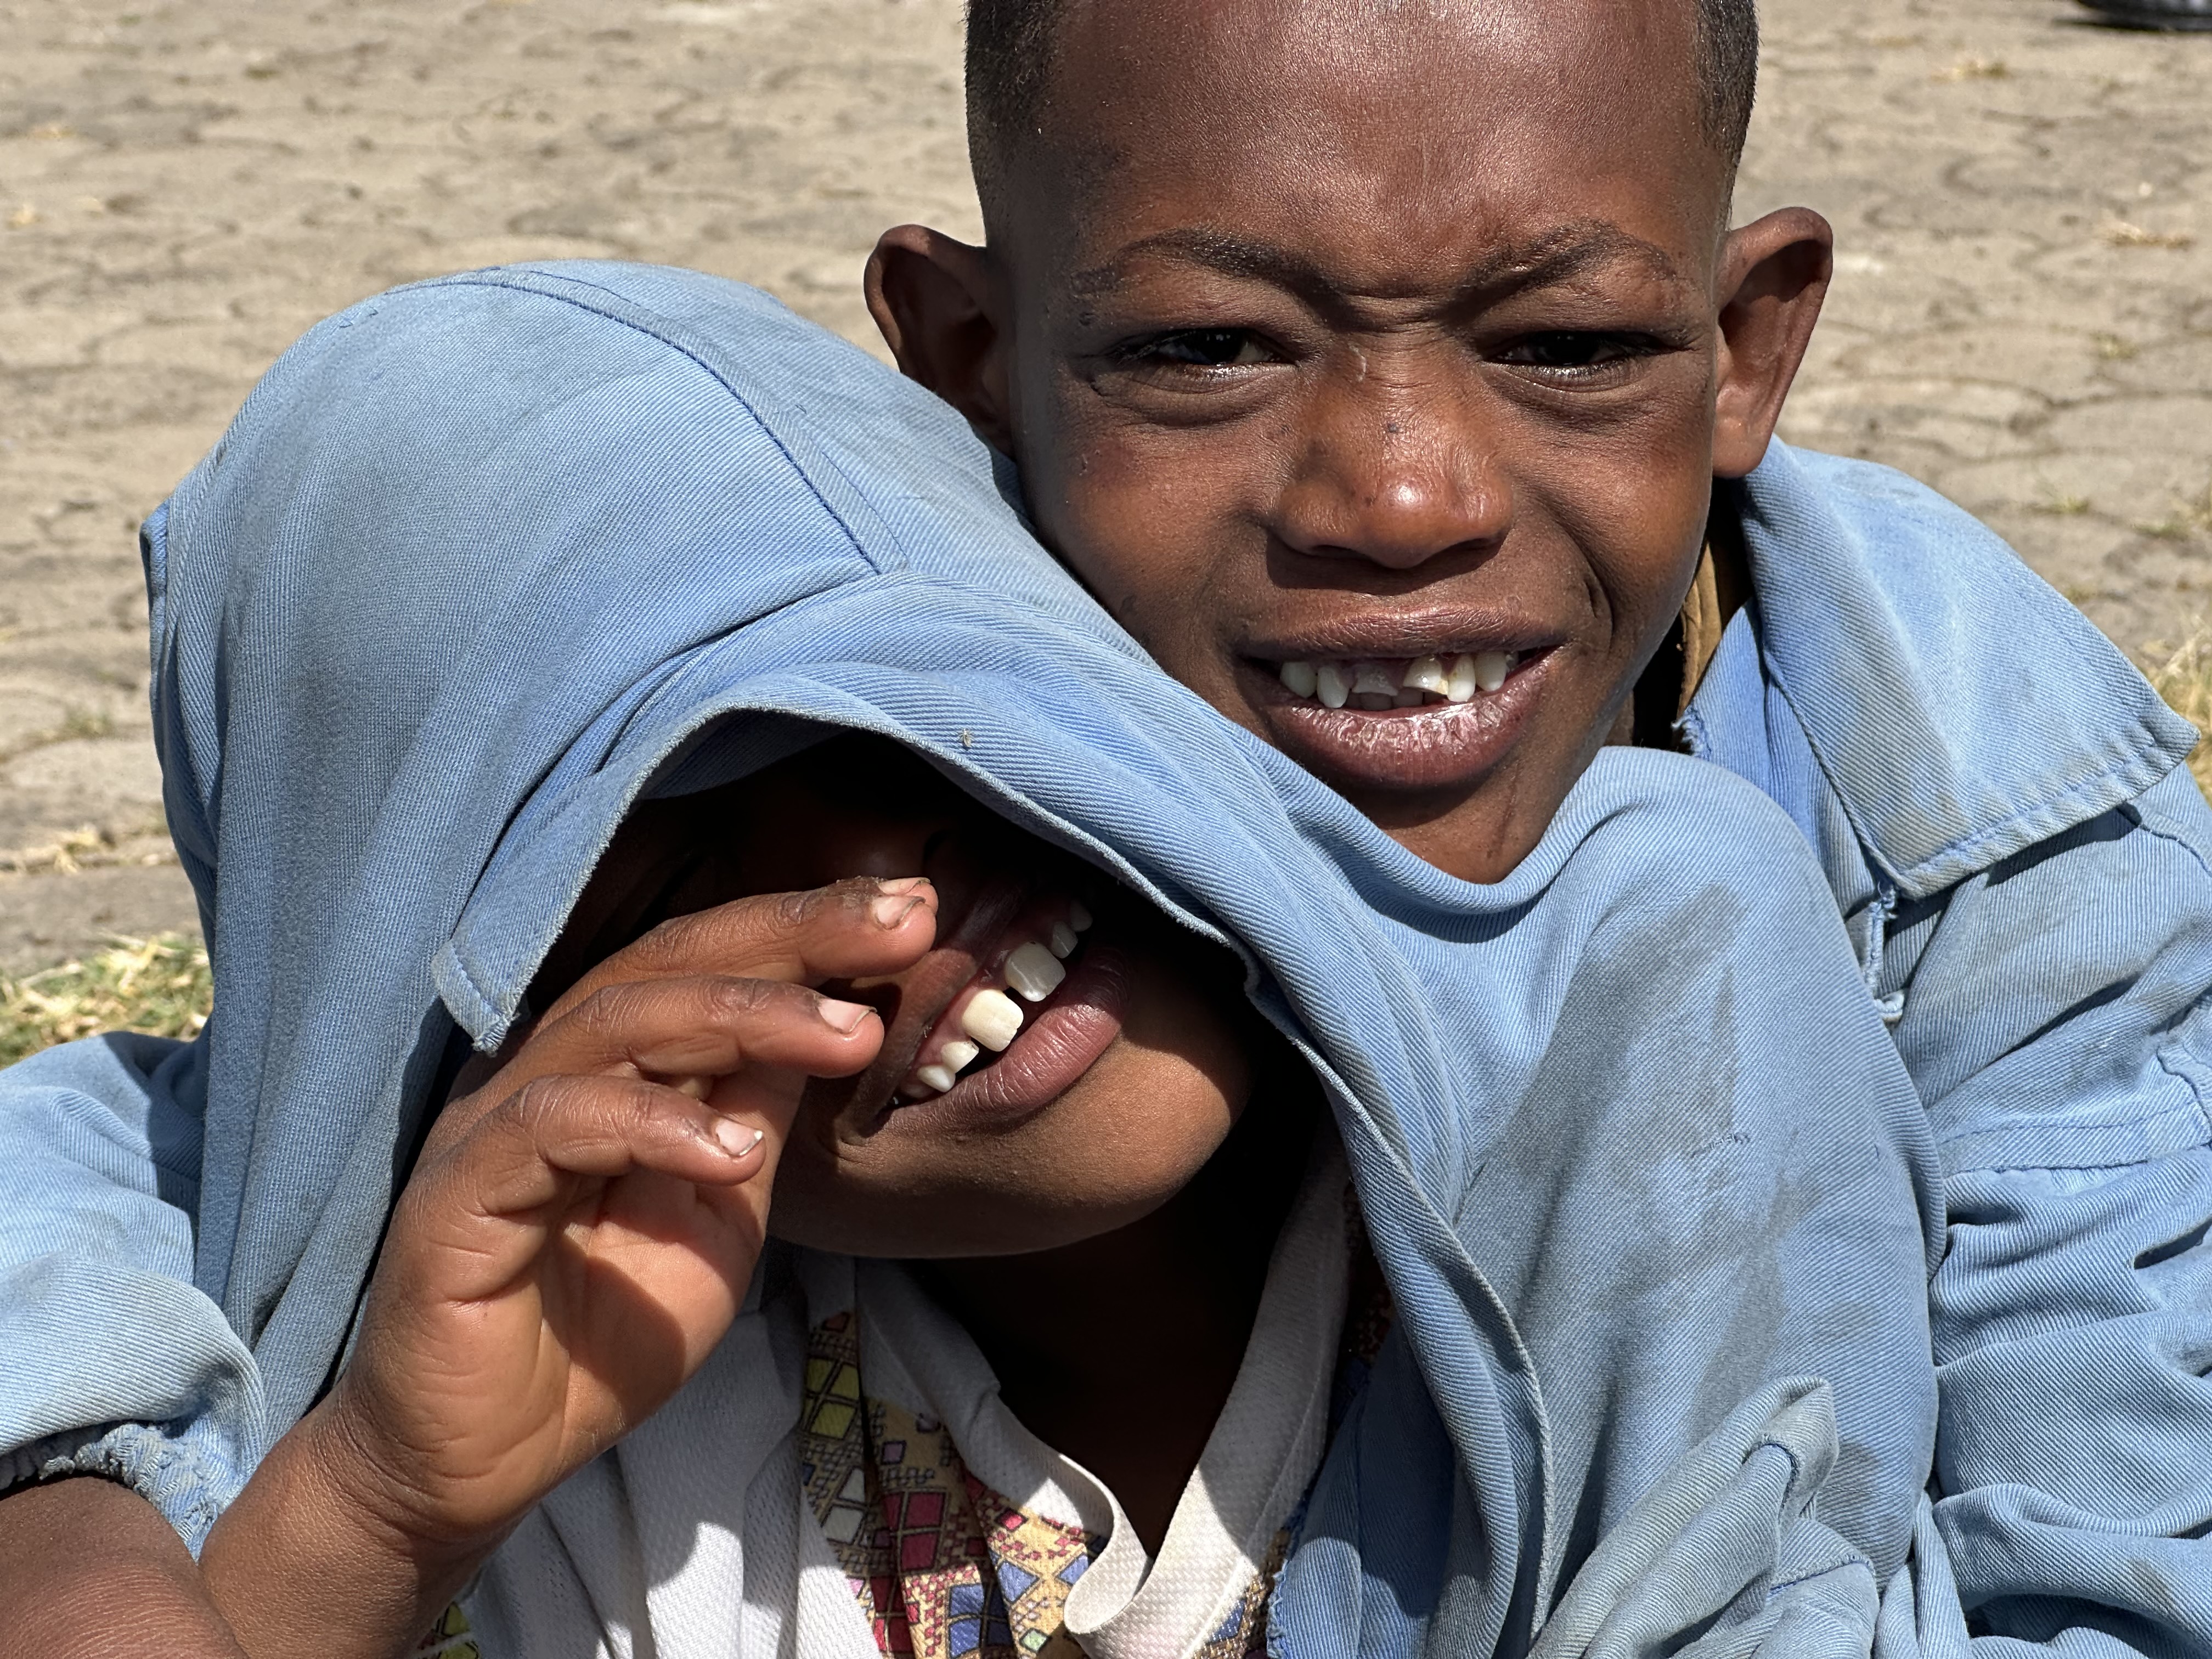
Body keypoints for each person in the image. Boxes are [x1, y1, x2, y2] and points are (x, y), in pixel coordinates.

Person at [8, 0, 2212, 1644]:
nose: (1403, 498)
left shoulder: (1943, 879)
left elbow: (2101, 1566)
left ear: (1742, 347)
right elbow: (181, 1148)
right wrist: (297, 1523)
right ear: (968, 376)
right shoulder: (916, 719)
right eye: (1207, 351)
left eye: (1557, 343)